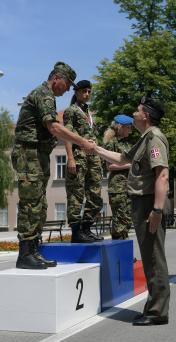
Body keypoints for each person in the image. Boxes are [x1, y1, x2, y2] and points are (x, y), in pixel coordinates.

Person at [11, 62, 95, 270]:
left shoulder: (48, 96)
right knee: (31, 203)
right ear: (56, 78)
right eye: (67, 84)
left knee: (39, 204)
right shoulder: (44, 94)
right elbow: (54, 127)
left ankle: (33, 250)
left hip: (37, 155)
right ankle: (25, 254)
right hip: (28, 154)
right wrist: (81, 141)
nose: (68, 89)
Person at [94, 97, 170, 326]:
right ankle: (152, 307)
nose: (134, 113)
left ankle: (157, 312)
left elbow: (162, 175)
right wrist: (95, 148)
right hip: (142, 202)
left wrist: (156, 210)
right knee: (149, 258)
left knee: (154, 259)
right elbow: (122, 158)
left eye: (138, 110)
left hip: (149, 204)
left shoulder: (154, 138)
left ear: (146, 115)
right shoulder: (145, 138)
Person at [63, 80, 103, 243]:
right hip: (78, 157)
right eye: (83, 91)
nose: (87, 94)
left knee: (95, 193)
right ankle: (76, 231)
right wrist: (70, 158)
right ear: (76, 92)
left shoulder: (88, 112)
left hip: (93, 157)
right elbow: (66, 135)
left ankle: (86, 228)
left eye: (89, 91)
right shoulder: (71, 111)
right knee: (76, 195)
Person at [103, 114, 133, 240]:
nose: (130, 131)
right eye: (128, 128)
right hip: (118, 188)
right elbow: (109, 166)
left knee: (127, 220)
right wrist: (129, 166)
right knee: (120, 220)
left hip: (129, 186)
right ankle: (119, 252)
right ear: (121, 127)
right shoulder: (111, 143)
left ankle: (124, 252)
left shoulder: (126, 144)